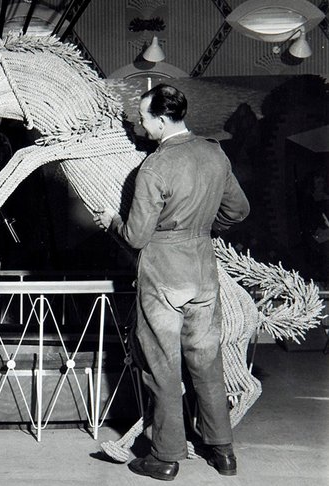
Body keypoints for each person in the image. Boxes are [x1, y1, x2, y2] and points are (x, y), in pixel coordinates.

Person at [94, 84, 250, 481]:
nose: (140, 125)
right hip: (202, 269)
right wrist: (202, 229)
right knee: (206, 361)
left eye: (144, 119)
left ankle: (165, 457)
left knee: (162, 366)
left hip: (164, 272)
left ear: (162, 120)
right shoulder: (215, 152)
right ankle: (223, 451)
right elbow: (239, 209)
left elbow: (135, 237)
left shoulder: (154, 166)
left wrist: (111, 219)